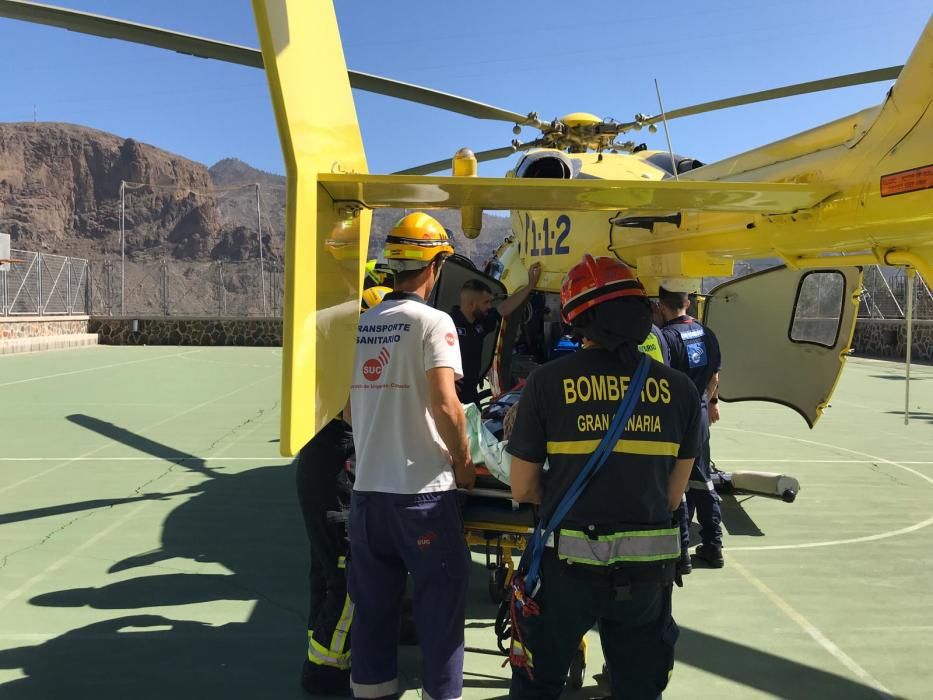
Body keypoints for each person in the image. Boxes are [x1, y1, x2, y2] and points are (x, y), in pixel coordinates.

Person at [506, 255, 701, 699]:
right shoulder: (681, 391)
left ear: (577, 318)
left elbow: (522, 487)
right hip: (647, 577)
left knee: (538, 683)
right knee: (638, 686)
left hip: (565, 575)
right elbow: (673, 496)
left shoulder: (547, 383)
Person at [345, 212, 475, 700]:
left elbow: (348, 410)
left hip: (367, 497)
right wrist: (463, 466)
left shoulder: (361, 324)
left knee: (373, 612)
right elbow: (446, 405)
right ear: (435, 265)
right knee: (440, 612)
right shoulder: (433, 322)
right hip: (422, 496)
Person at [295, 283, 395, 697]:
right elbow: (361, 413)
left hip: (321, 467)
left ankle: (323, 644)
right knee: (349, 570)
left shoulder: (336, 352)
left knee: (325, 566)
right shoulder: (353, 361)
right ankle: (327, 665)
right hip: (334, 472)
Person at [658, 283, 724, 570]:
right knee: (703, 479)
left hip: (675, 417)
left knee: (677, 485)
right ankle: (714, 545)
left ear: (662, 306)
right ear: (688, 304)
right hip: (699, 414)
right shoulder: (707, 333)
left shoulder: (666, 337)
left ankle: (681, 553)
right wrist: (710, 403)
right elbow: (714, 378)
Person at [451, 262, 542, 405]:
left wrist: (530, 286)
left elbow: (504, 308)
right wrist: (444, 383)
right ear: (472, 304)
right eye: (486, 302)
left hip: (471, 394)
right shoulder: (446, 324)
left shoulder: (480, 323)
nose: (489, 306)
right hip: (452, 395)